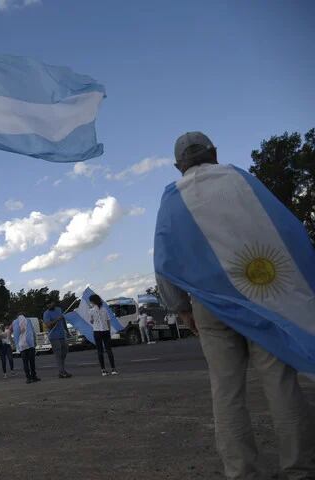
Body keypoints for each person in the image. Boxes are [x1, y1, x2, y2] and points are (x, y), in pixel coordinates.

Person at [156, 131, 315, 478]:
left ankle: (243, 472)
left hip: (209, 305)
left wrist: (180, 307)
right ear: (214, 152)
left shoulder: (173, 197)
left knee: (226, 390)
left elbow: (165, 259)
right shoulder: (242, 180)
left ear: (177, 165)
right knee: (280, 383)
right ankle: (299, 469)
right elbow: (285, 229)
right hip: (263, 297)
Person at [87, 294, 117, 376]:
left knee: (100, 351)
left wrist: (94, 319)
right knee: (109, 350)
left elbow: (91, 321)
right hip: (106, 331)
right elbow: (108, 321)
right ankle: (113, 369)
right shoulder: (104, 309)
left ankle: (103, 370)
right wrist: (109, 331)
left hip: (97, 331)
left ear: (92, 301)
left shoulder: (91, 311)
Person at [43, 301, 71, 378]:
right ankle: (62, 372)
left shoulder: (59, 309)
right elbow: (48, 325)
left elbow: (63, 320)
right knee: (58, 354)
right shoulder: (46, 313)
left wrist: (67, 331)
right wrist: (56, 320)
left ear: (53, 303)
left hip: (62, 335)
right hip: (53, 336)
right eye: (47, 304)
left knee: (64, 352)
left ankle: (62, 370)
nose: (49, 305)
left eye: (50, 303)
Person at [11, 315, 40, 384]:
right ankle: (34, 376)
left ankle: (28, 378)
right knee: (32, 362)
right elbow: (32, 331)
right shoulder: (28, 321)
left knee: (25, 362)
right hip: (30, 343)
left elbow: (15, 334)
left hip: (22, 345)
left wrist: (16, 345)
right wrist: (35, 341)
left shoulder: (15, 322)